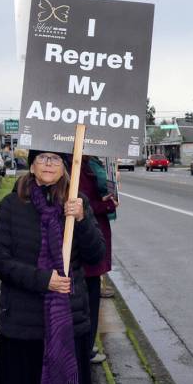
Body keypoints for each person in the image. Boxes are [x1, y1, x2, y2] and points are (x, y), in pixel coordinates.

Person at [0, 150, 106, 384]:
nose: (49, 164)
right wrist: (43, 280)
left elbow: (96, 255)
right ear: (31, 166)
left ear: (66, 167)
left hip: (67, 316)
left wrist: (82, 219)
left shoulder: (76, 203)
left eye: (56, 159)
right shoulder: (12, 205)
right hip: (23, 317)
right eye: (42, 158)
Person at [77, 156, 117, 364]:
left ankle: (86, 344)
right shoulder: (76, 164)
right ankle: (85, 348)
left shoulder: (88, 162)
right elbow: (83, 204)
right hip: (87, 242)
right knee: (88, 299)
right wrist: (106, 205)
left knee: (90, 297)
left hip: (93, 237)